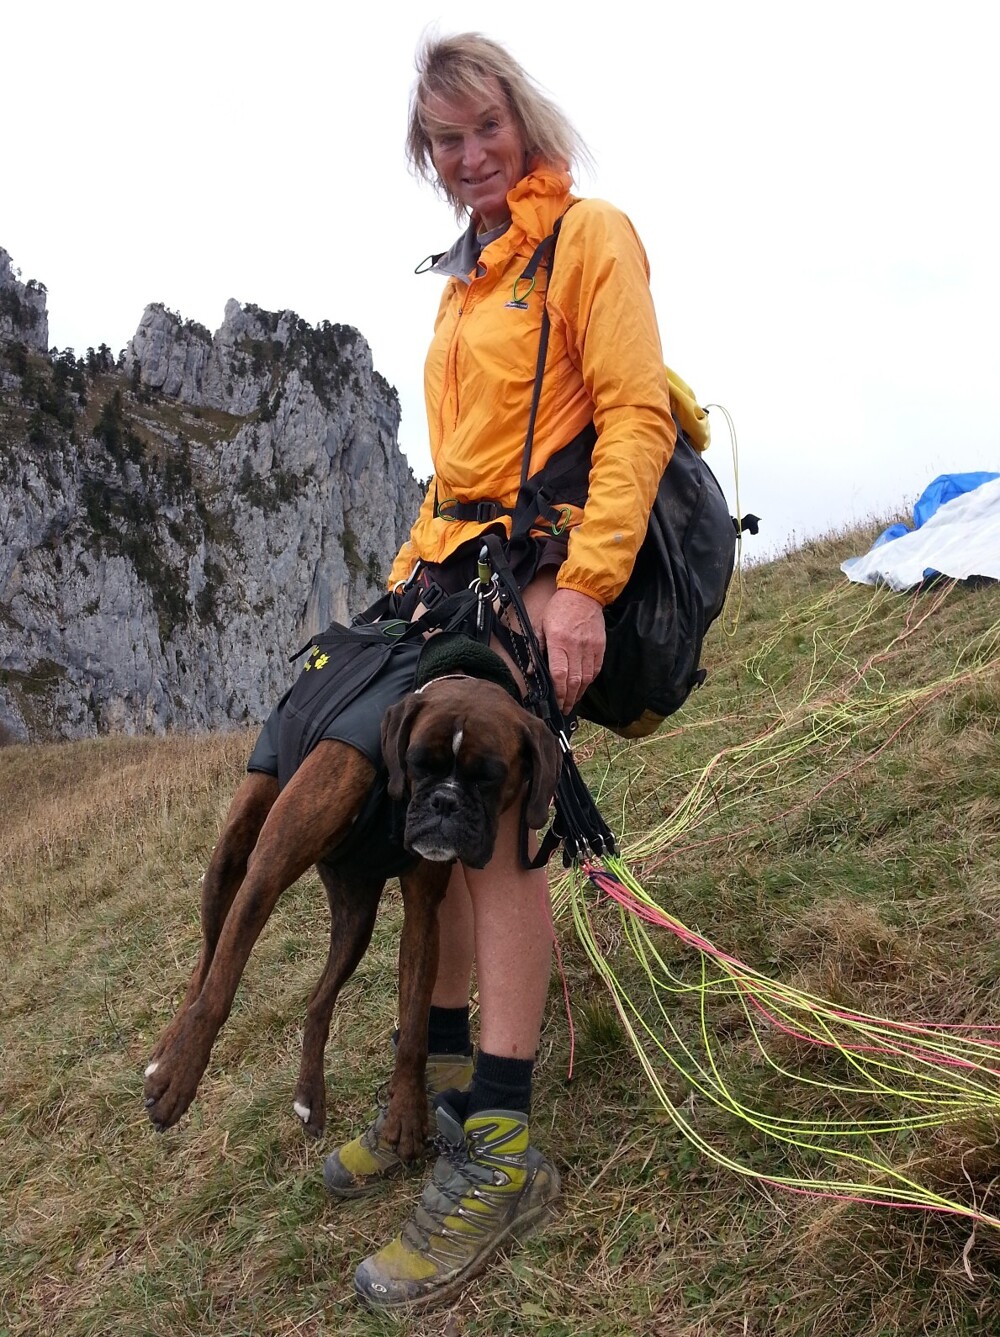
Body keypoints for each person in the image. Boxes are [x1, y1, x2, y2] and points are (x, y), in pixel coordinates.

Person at [324, 31, 676, 1311]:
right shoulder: (463, 283)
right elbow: (456, 461)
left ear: (520, 119)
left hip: (547, 563)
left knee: (492, 821)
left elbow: (632, 410)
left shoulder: (589, 239)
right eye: (445, 142)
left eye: (484, 129)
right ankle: (445, 1090)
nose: (469, 157)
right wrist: (407, 574)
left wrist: (583, 586)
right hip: (454, 570)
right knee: (427, 814)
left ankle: (505, 1142)